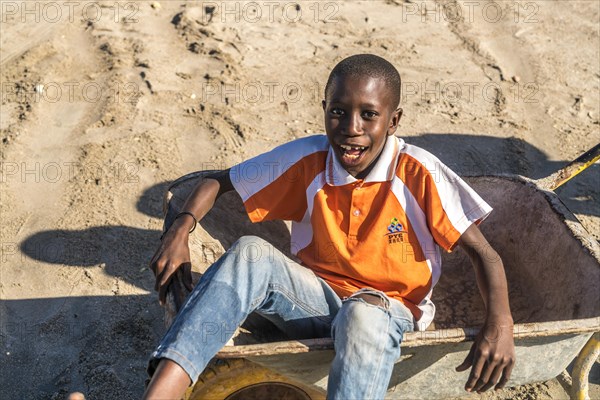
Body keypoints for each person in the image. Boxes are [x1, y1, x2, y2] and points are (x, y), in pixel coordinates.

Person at [143, 54, 515, 400]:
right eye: (338, 112)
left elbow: (485, 254)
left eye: (369, 115)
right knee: (249, 253)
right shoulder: (309, 159)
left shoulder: (418, 171)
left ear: (394, 120)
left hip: (388, 314)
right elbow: (216, 182)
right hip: (315, 303)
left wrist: (500, 324)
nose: (351, 129)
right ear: (324, 111)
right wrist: (180, 230)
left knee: (364, 313)